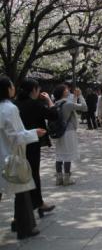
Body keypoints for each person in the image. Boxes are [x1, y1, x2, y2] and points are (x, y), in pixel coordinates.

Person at [0, 76, 47, 240]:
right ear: (7, 89)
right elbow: (16, 136)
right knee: (22, 190)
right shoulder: (9, 109)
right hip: (11, 155)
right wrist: (35, 133)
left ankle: (19, 224)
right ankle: (25, 227)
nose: (14, 88)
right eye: (12, 85)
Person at [16, 78, 58, 218]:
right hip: (32, 141)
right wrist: (49, 101)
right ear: (34, 90)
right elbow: (53, 115)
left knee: (23, 175)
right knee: (33, 174)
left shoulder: (15, 104)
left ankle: (30, 206)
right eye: (38, 89)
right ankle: (37, 204)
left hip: (17, 144)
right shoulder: (35, 105)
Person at [52, 84, 87, 185]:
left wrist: (75, 97)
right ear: (63, 92)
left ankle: (59, 178)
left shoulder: (56, 104)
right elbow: (84, 108)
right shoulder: (67, 104)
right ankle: (67, 178)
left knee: (59, 155)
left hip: (59, 132)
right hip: (69, 131)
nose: (68, 90)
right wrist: (80, 95)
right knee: (68, 155)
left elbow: (72, 106)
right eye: (66, 89)